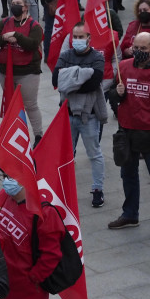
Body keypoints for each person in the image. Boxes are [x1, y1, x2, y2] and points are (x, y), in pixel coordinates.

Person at [108, 32, 150, 240]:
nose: (138, 52)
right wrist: (117, 94)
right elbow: (111, 94)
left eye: (143, 49)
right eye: (135, 48)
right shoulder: (123, 68)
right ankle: (130, 214)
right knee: (128, 176)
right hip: (127, 132)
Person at [52, 23, 108, 207]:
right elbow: (56, 80)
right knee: (66, 155)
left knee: (95, 154)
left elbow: (94, 82)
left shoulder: (97, 57)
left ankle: (98, 189)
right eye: (74, 37)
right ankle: (63, 189)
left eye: (80, 37)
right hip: (67, 113)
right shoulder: (66, 55)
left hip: (89, 115)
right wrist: (82, 74)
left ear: (89, 38)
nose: (77, 40)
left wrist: (69, 77)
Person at [0, 0, 44, 143]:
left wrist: (16, 36)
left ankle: (38, 135)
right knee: (11, 105)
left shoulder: (35, 26)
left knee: (30, 105)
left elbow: (32, 44)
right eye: (13, 3)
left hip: (28, 73)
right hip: (5, 72)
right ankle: (13, 135)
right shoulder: (5, 22)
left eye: (18, 3)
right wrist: (5, 38)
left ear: (25, 7)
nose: (15, 6)